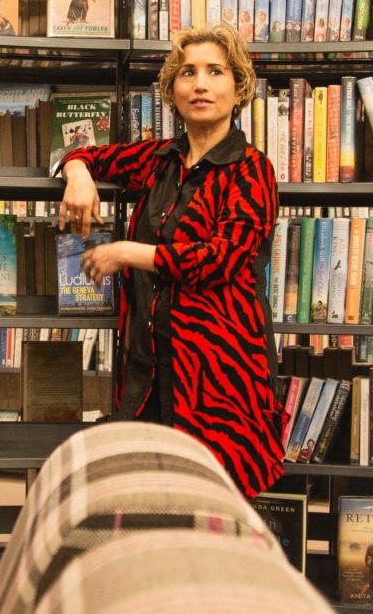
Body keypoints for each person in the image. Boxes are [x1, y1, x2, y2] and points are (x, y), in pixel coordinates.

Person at [58, 24, 282, 498]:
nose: (200, 84)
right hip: (148, 367)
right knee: (146, 501)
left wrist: (124, 252)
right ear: (171, 90)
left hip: (219, 378)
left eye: (215, 72)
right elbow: (85, 154)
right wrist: (78, 174)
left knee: (211, 509)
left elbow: (220, 259)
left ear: (238, 87)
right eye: (187, 73)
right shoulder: (160, 158)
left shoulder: (253, 170)